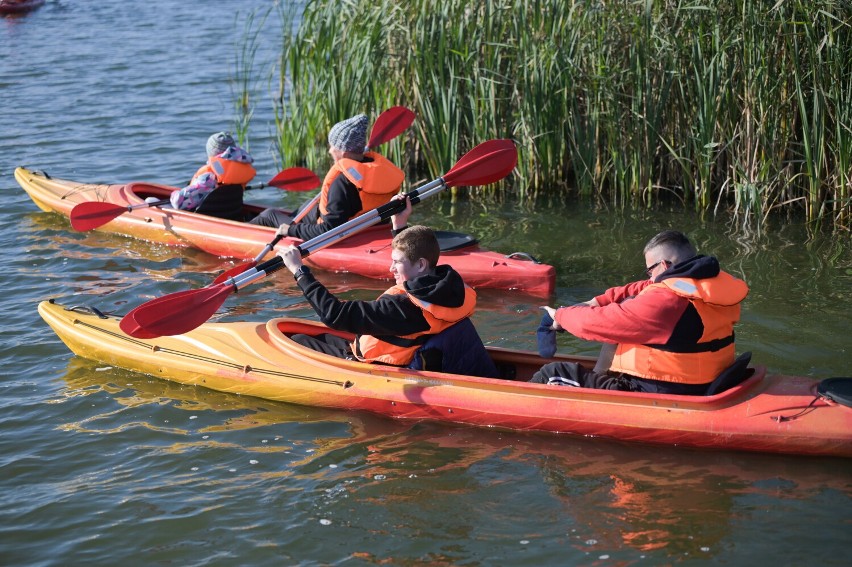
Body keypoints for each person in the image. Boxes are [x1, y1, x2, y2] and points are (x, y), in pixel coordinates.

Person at [277, 195, 497, 377]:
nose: (390, 268)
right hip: (418, 349)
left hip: (382, 368)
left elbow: (334, 314)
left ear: (421, 265)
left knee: (297, 341)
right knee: (316, 337)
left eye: (396, 262)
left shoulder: (400, 307)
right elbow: (412, 256)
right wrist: (399, 225)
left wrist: (299, 270)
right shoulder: (453, 287)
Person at [531, 230, 749, 395]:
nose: (650, 277)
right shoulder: (705, 283)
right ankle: (599, 378)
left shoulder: (667, 301)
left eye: (650, 270)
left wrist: (560, 316)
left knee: (552, 374)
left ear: (663, 264)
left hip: (661, 391)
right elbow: (644, 287)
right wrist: (597, 301)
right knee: (627, 305)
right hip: (703, 380)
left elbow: (600, 323)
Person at [249, 114, 404, 239]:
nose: (330, 151)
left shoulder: (341, 181)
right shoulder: (374, 167)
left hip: (339, 235)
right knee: (306, 207)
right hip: (368, 228)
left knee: (269, 215)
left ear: (343, 152)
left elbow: (329, 230)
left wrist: (290, 231)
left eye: (332, 146)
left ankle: (238, 234)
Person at [169, 132, 256, 220]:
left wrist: (174, 194)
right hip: (231, 216)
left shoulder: (208, 178)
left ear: (210, 153)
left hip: (206, 221)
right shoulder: (239, 171)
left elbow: (178, 203)